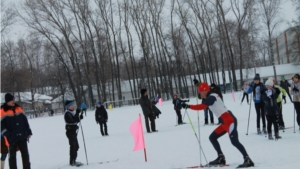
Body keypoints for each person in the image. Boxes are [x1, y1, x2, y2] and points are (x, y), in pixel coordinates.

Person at [181, 82, 254, 168]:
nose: (200, 95)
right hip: (224, 122)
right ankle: (221, 157)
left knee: (234, 141)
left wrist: (188, 106)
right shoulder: (210, 95)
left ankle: (247, 159)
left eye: (200, 93)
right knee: (212, 137)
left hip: (230, 121)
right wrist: (198, 84)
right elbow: (204, 92)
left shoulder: (211, 97)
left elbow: (202, 106)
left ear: (205, 91)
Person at [0, 93, 32, 169]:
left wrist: (28, 131)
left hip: (22, 136)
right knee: (12, 158)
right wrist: (9, 134)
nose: (13, 101)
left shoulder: (19, 108)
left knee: (25, 156)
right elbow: (1, 127)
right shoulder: (3, 111)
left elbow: (25, 122)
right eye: (11, 100)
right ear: (7, 101)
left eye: (13, 99)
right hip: (11, 139)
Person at [64, 100, 84, 166]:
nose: (73, 106)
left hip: (73, 131)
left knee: (76, 146)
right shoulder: (67, 113)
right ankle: (72, 161)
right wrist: (77, 114)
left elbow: (75, 120)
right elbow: (72, 120)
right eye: (71, 105)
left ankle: (74, 160)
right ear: (68, 106)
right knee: (73, 146)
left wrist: (80, 117)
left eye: (73, 105)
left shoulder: (71, 112)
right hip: (70, 132)